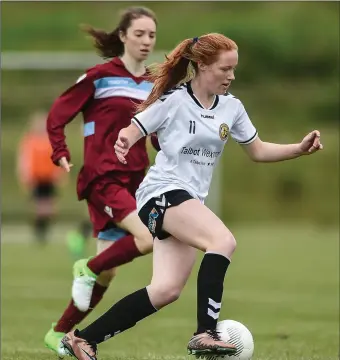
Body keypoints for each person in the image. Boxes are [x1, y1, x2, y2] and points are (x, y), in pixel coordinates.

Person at [60, 32, 323, 360]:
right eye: (224, 69)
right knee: (222, 241)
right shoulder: (174, 101)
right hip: (161, 194)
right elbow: (135, 126)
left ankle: (84, 339)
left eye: (234, 69)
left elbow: (257, 150)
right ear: (200, 66)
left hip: (187, 202)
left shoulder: (232, 108)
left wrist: (298, 149)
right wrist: (125, 141)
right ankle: (206, 333)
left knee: (165, 290)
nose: (231, 76)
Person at [44, 7, 160, 356]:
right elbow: (58, 113)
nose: (146, 41)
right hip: (102, 176)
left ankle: (58, 333)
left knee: (108, 275)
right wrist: (59, 150)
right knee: (147, 237)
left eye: (151, 35)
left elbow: (156, 132)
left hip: (135, 181)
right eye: (139, 33)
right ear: (123, 36)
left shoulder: (156, 83)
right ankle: (85, 267)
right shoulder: (101, 76)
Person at [17, 110, 65, 244]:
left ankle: (44, 230)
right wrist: (25, 176)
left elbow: (57, 158)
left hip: (49, 178)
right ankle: (39, 233)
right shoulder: (29, 140)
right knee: (39, 207)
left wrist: (59, 174)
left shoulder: (51, 140)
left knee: (50, 208)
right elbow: (24, 160)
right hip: (36, 178)